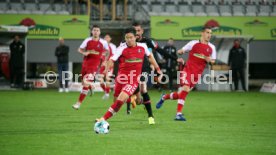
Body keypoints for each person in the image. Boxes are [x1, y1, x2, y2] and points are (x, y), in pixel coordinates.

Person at [95, 27, 162, 124]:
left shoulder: (143, 46)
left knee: (120, 101)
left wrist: (158, 69)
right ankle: (134, 99)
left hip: (133, 80)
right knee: (116, 101)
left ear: (136, 37)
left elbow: (150, 57)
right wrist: (105, 70)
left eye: (131, 37)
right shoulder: (121, 48)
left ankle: (102, 119)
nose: (129, 40)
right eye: (127, 38)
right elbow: (111, 60)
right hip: (121, 79)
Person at [156, 27, 216, 121]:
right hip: (187, 70)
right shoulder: (193, 43)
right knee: (185, 88)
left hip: (196, 75)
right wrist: (181, 53)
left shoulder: (212, 47)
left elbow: (213, 61)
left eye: (211, 33)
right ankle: (178, 114)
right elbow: (180, 51)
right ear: (202, 33)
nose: (209, 35)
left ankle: (164, 97)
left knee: (181, 94)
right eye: (208, 32)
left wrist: (209, 60)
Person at [125, 22, 179, 123]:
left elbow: (160, 51)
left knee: (143, 88)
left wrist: (175, 59)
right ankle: (135, 101)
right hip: (132, 69)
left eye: (138, 30)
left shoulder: (147, 42)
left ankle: (150, 116)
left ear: (142, 31)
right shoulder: (127, 44)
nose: (136, 33)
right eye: (134, 31)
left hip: (144, 68)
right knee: (135, 93)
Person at [72, 25, 109, 110]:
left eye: (97, 30)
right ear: (92, 32)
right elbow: (80, 49)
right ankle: (91, 87)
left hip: (94, 66)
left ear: (99, 32)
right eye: (94, 30)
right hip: (85, 64)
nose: (96, 32)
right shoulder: (87, 40)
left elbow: (107, 52)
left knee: (86, 83)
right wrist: (84, 53)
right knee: (83, 82)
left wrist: (104, 60)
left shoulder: (103, 42)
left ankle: (78, 104)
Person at [100, 33, 117, 100]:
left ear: (110, 39)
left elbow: (114, 56)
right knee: (100, 81)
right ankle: (107, 90)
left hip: (109, 65)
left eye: (108, 37)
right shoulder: (101, 46)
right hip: (103, 65)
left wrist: (111, 63)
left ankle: (107, 94)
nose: (106, 39)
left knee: (107, 79)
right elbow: (100, 56)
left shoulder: (113, 46)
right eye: (105, 37)